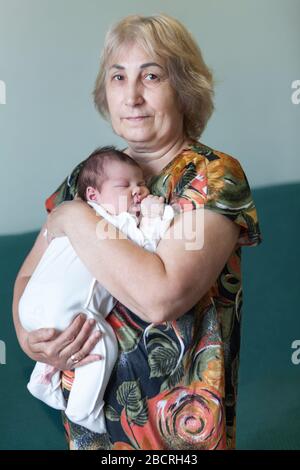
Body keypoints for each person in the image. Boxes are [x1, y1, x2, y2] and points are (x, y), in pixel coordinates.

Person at [13, 14, 262, 450]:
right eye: (118, 77)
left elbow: (160, 297)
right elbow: (27, 277)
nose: (131, 95)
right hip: (92, 430)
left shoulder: (212, 176)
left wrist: (73, 217)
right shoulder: (87, 176)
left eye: (151, 76)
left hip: (178, 432)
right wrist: (31, 340)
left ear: (182, 89)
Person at [18, 146, 175, 434]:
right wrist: (155, 216)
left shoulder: (73, 216)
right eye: (124, 186)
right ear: (93, 196)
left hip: (31, 309)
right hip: (67, 312)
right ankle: (84, 409)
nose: (138, 190)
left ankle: (43, 377)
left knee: (61, 334)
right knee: (98, 339)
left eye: (141, 182)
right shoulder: (118, 222)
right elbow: (147, 249)